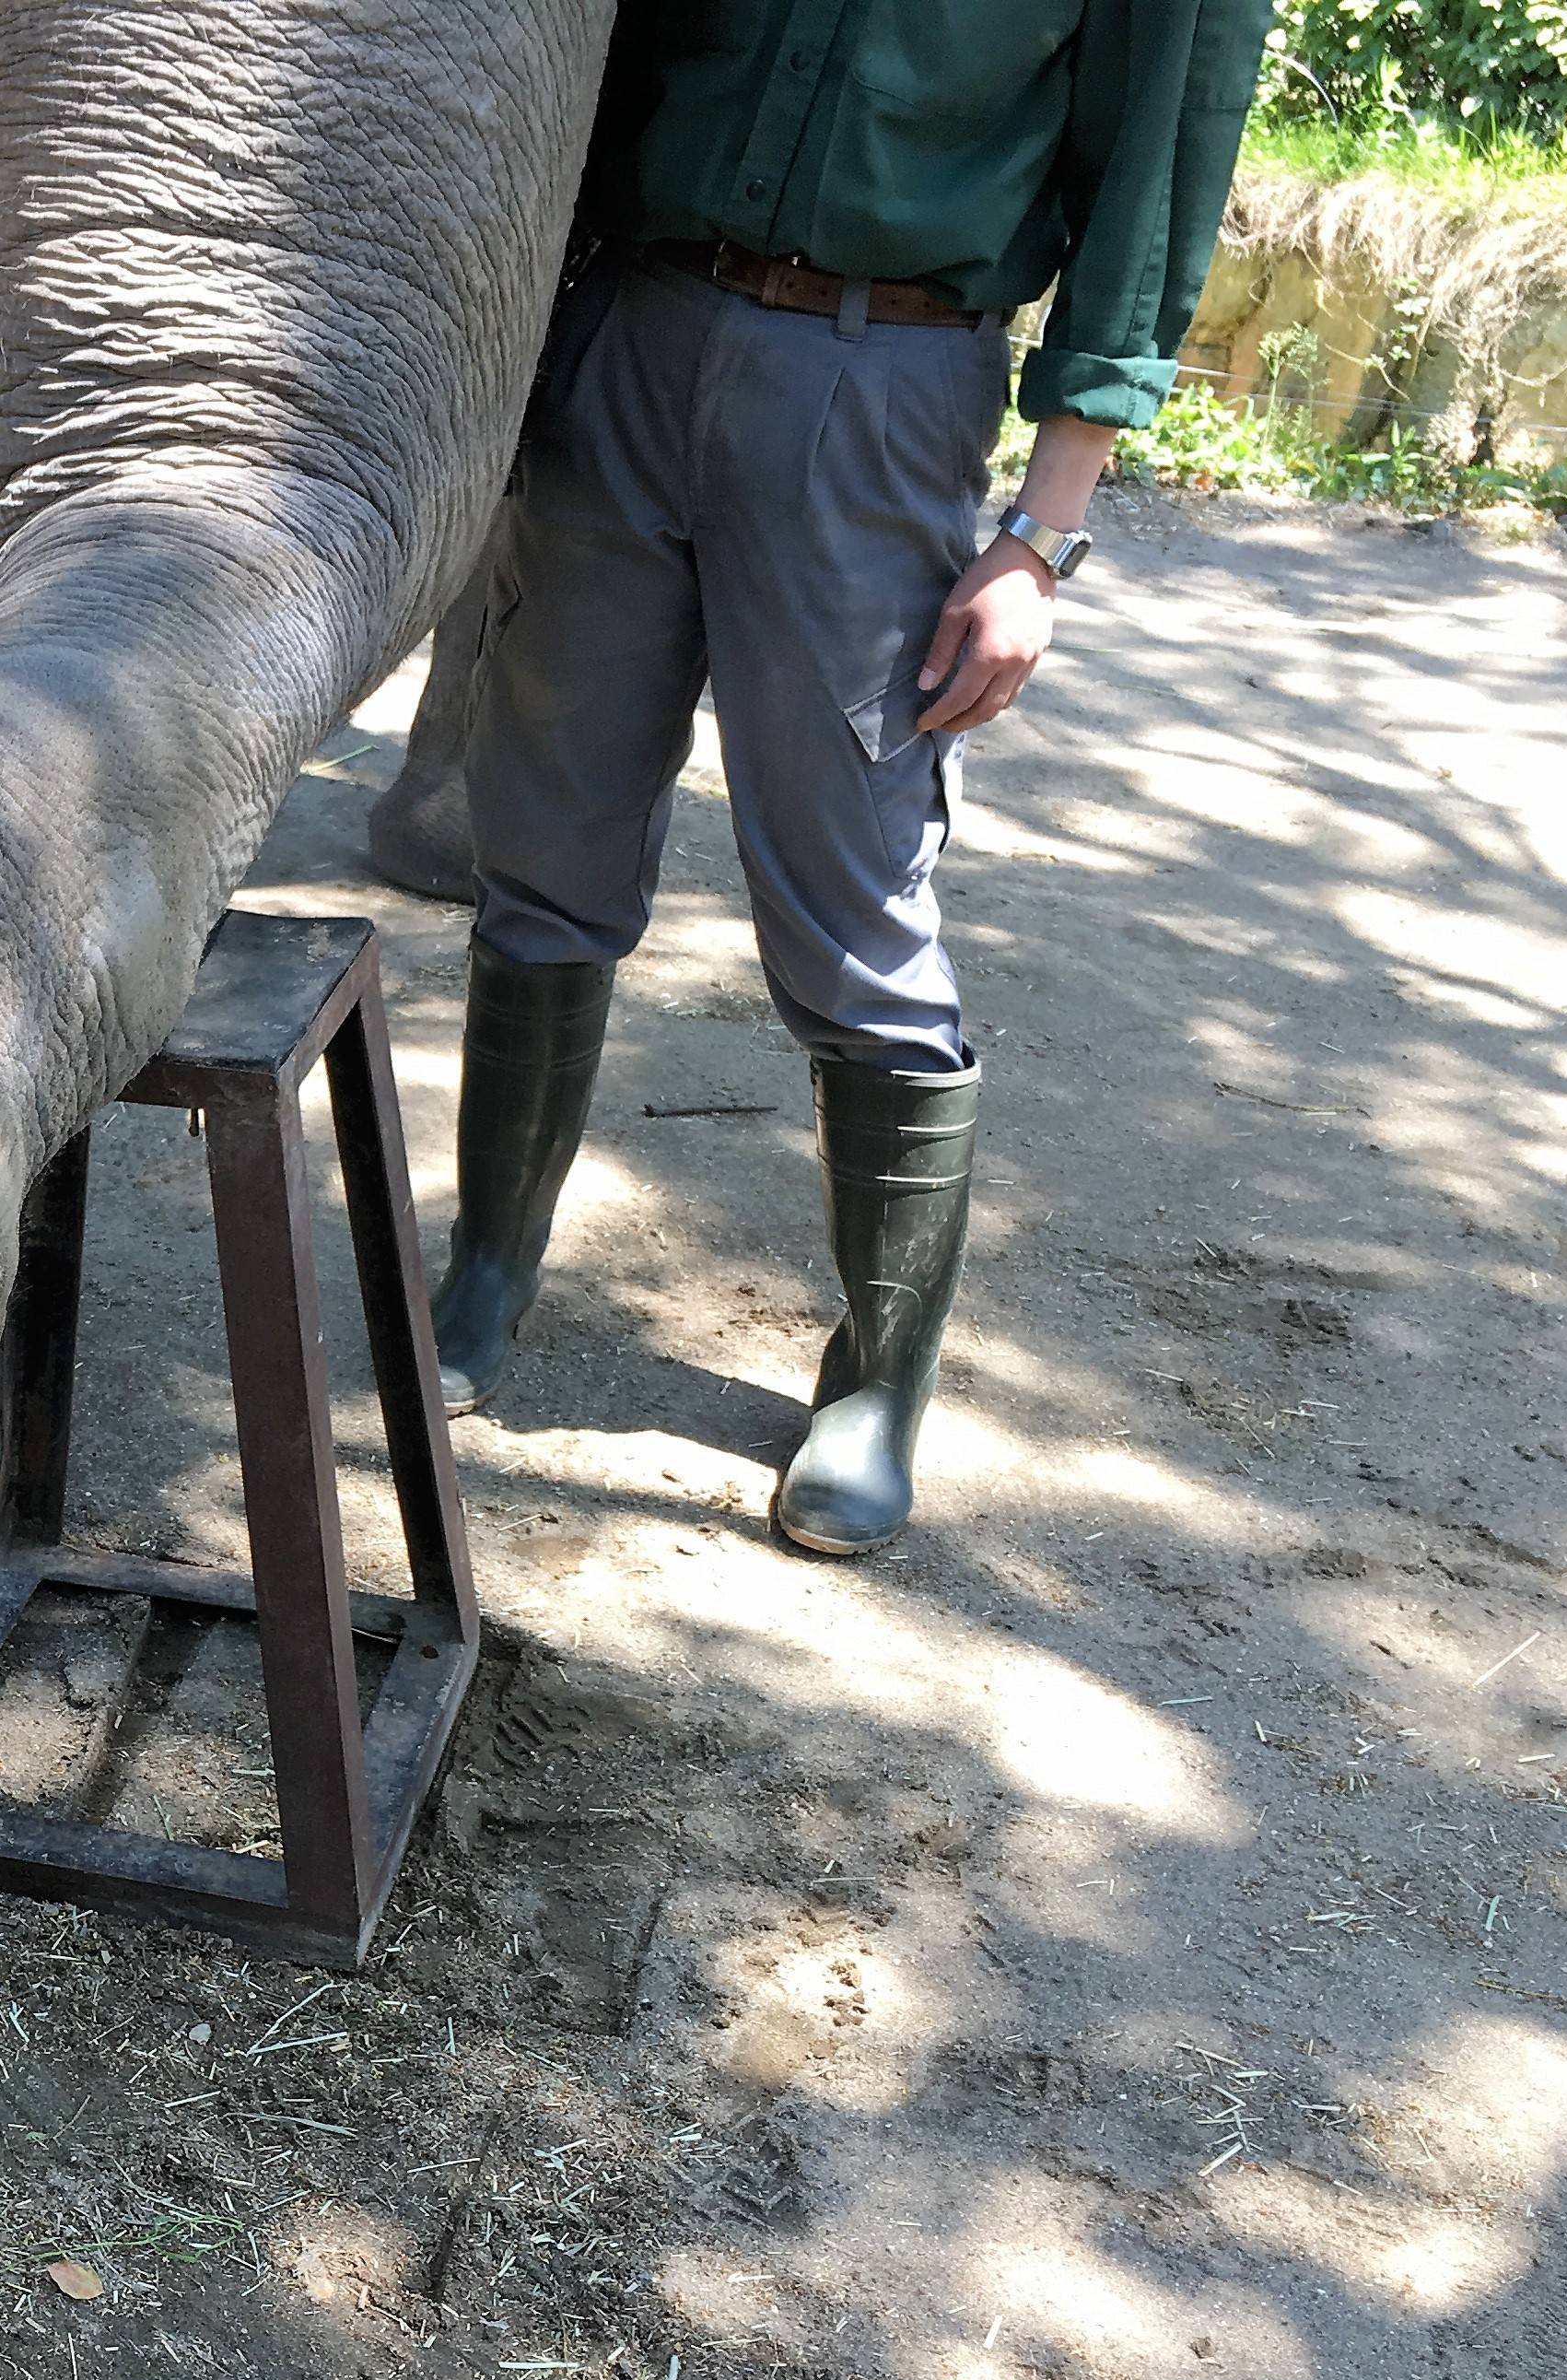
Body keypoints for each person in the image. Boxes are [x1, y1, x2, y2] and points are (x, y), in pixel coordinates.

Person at [382, 0, 1272, 1552]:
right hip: (625, 336)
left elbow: (1159, 171)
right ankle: (489, 1272)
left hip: (885, 381)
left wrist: (1043, 535)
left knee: (853, 898)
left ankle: (875, 1383)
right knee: (546, 843)